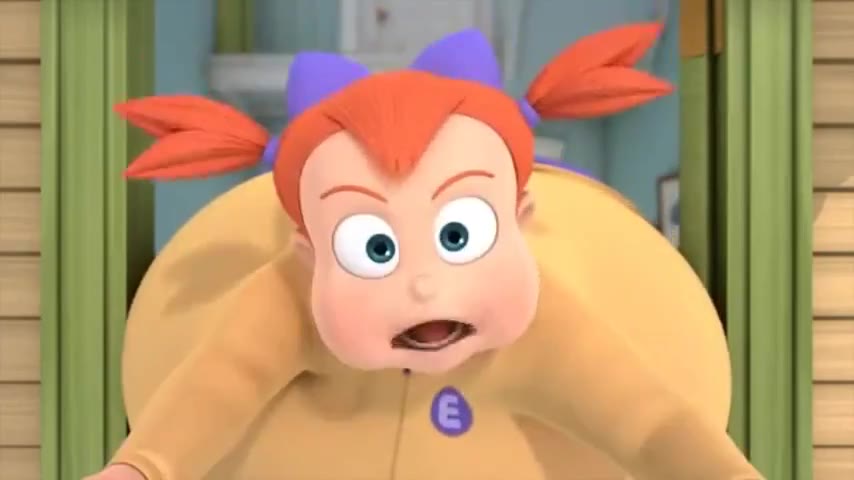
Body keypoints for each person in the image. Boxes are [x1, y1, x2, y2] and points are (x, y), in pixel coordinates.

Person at [87, 24, 762, 480]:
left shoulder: (547, 323)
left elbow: (645, 419)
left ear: (520, 221)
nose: (423, 287)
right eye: (373, 248)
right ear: (309, 252)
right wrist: (140, 468)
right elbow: (219, 384)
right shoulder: (285, 294)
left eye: (458, 237)